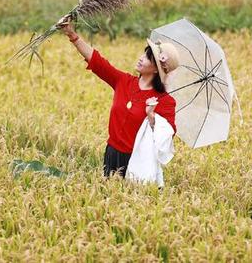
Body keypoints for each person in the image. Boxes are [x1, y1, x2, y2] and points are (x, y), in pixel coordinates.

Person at [57, 17, 180, 178]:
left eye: (148, 57)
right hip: (112, 153)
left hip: (137, 160)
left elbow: (167, 137)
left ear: (157, 69)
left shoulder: (165, 101)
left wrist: (151, 116)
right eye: (144, 53)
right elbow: (98, 62)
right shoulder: (124, 81)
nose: (141, 58)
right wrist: (71, 34)